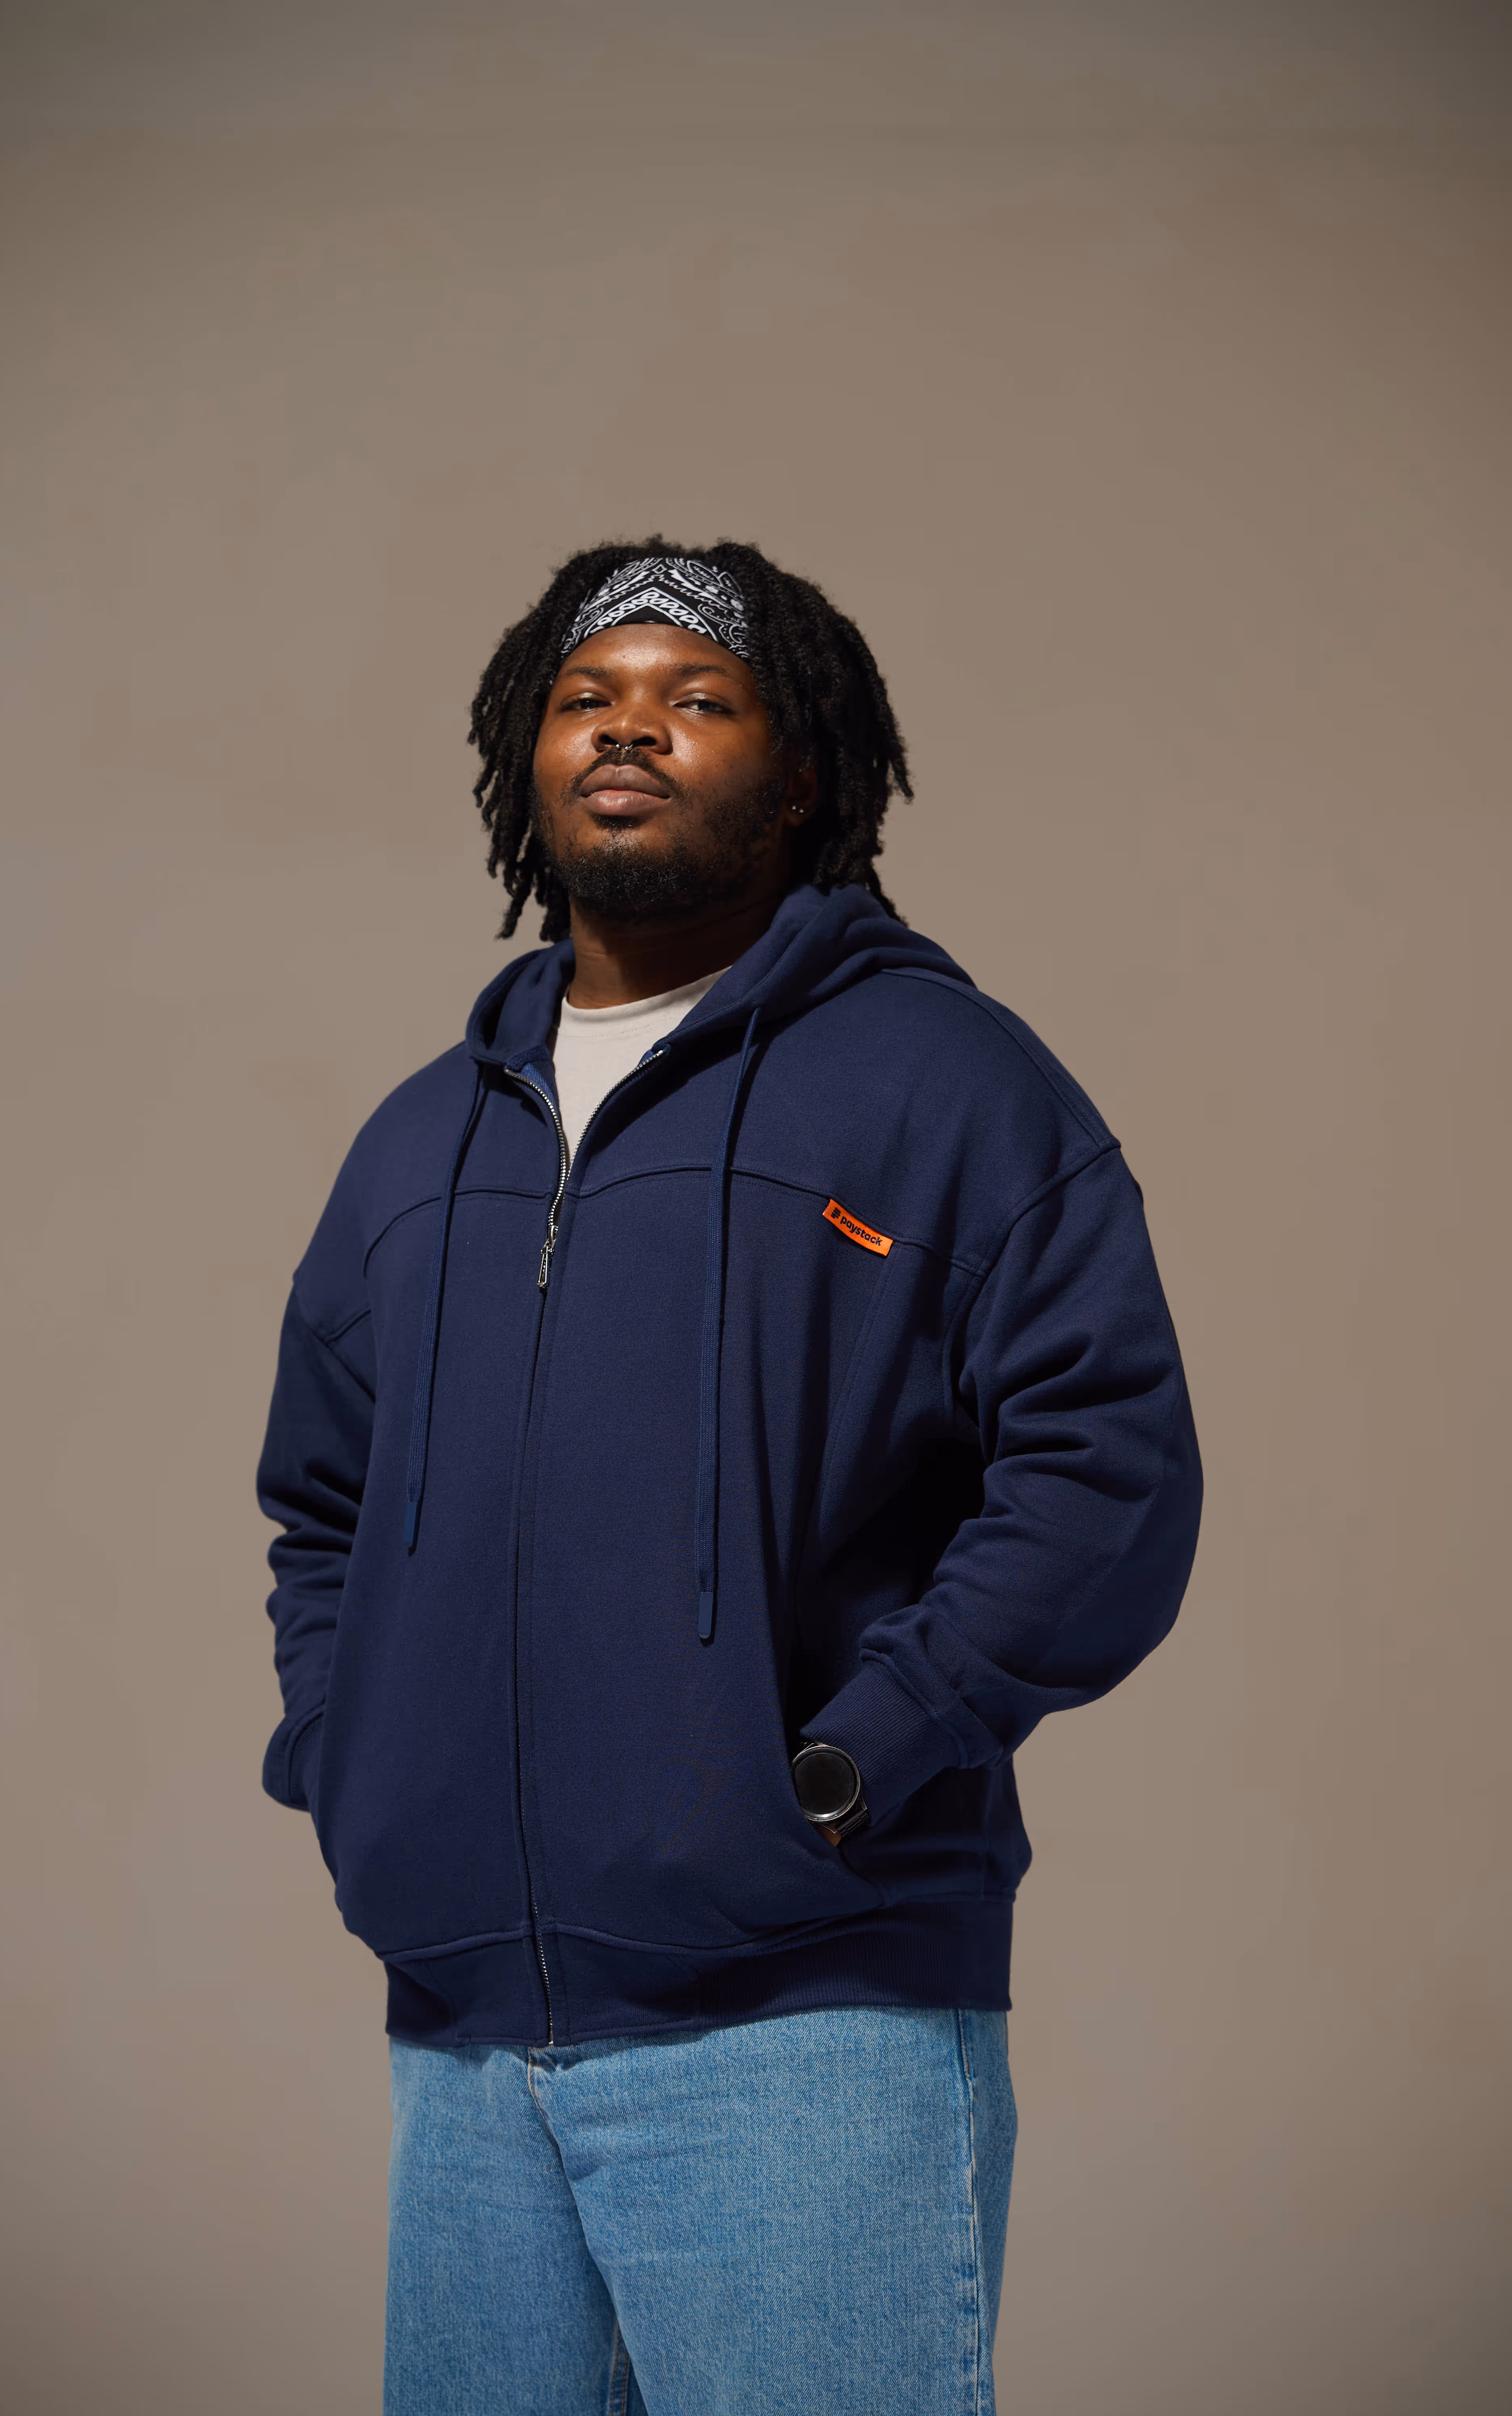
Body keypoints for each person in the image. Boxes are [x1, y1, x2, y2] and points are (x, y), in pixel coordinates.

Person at [256, 540, 1202, 2415]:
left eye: (698, 702)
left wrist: (861, 1756)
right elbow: (323, 1509)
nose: (631, 733)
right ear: (528, 761)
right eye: (589, 700)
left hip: (807, 2030)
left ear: (800, 778)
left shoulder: (946, 1083)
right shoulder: (421, 1139)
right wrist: (348, 1756)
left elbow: (1108, 1470)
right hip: (460, 2043)